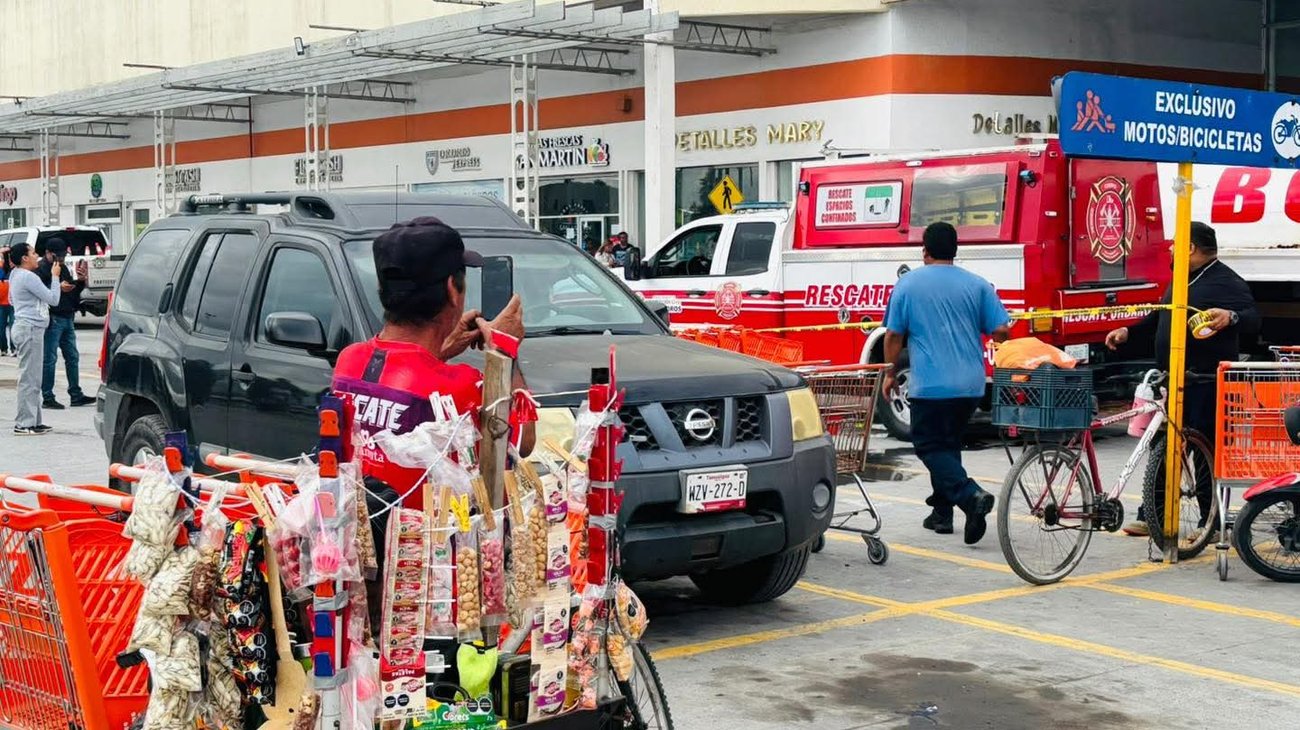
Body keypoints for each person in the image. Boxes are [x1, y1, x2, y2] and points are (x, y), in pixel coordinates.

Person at [331, 217, 533, 507]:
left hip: (361, 525)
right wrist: (505, 349)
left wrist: (442, 349)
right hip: (434, 534)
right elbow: (523, 441)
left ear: (382, 288)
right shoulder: (462, 386)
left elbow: (410, 382)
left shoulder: (349, 360)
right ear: (452, 289)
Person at [1105, 221, 1259, 537]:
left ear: (1191, 248)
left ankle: (1210, 523)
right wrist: (1129, 332)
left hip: (1205, 384)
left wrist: (1231, 317)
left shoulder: (1226, 281)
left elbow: (1253, 319)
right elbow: (1159, 316)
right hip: (1172, 382)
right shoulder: (1181, 279)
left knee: (1204, 454)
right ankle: (1153, 515)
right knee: (1162, 448)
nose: (1172, 250)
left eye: (1176, 245)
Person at [882, 222, 1010, 544]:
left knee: (929, 445)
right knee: (948, 445)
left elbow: (894, 335)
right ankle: (942, 514)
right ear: (955, 250)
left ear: (924, 250)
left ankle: (970, 496)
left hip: (932, 385)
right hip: (971, 385)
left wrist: (889, 374)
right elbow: (1001, 330)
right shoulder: (977, 284)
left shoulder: (907, 285)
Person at [7, 243, 62, 435]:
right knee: (30, 378)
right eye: (33, 253)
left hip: (26, 327)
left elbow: (12, 300)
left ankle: (34, 421)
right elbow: (53, 299)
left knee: (33, 378)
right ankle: (24, 423)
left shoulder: (15, 274)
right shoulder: (28, 276)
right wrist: (55, 277)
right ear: (24, 258)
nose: (36, 256)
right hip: (29, 329)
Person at [37, 239, 92, 409]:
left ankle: (75, 393)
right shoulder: (41, 269)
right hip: (54, 317)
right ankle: (48, 396)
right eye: (57, 256)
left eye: (63, 256)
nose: (61, 259)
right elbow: (41, 293)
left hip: (67, 315)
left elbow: (71, 293)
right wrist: (56, 285)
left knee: (72, 357)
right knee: (50, 359)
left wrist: (80, 282)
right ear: (48, 253)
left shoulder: (63, 268)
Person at [0, 244, 14, 356]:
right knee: (1, 327)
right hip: (1, 303)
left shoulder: (16, 269)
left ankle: (14, 348)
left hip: (13, 303)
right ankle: (3, 349)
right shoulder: (1, 268)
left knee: (13, 327)